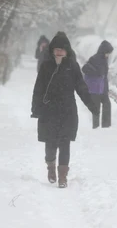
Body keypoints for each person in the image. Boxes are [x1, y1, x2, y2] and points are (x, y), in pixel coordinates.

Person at [31, 32, 99, 188]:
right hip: (49, 111)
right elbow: (38, 88)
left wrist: (91, 106)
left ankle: (63, 177)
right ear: (52, 50)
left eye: (62, 49)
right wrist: (36, 108)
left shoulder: (72, 66)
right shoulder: (46, 66)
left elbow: (81, 88)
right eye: (57, 49)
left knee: (65, 143)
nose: (59, 52)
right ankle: (50, 166)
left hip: (67, 111)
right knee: (50, 144)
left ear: (67, 50)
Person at [82, 40, 114, 129]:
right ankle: (96, 127)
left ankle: (105, 126)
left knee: (107, 104)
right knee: (96, 107)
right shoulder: (95, 59)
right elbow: (85, 69)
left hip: (102, 87)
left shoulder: (104, 59)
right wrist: (97, 73)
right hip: (95, 87)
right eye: (108, 53)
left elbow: (104, 75)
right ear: (104, 51)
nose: (108, 55)